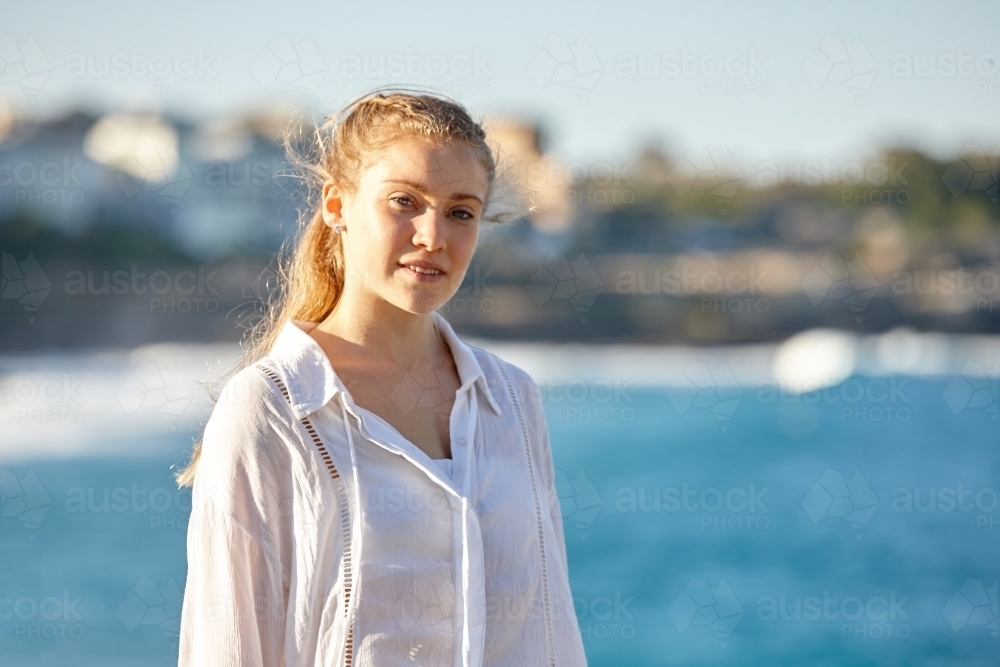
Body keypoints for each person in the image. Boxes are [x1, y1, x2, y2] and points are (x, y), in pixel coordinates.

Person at [173, 88, 588, 667]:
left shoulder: (513, 399)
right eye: (404, 201)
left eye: (460, 212)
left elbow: (551, 629)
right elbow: (227, 646)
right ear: (337, 207)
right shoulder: (270, 408)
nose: (432, 236)